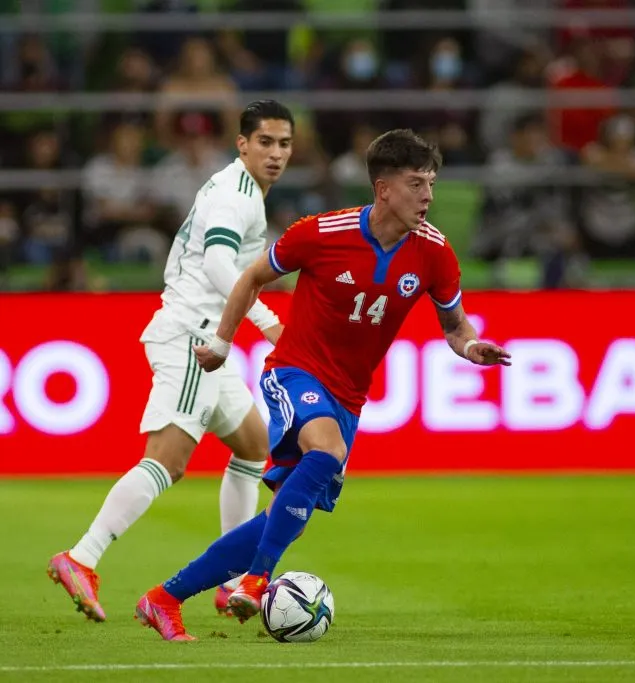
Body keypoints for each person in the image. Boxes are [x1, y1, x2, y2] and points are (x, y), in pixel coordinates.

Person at [134, 129, 511, 641]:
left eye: (431, 184)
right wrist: (222, 343)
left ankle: (163, 598)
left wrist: (471, 347)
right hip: (294, 370)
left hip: (349, 396)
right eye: (416, 183)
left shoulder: (434, 252)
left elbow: (455, 326)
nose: (427, 195)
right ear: (383, 189)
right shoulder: (321, 232)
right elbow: (250, 278)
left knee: (283, 517)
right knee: (326, 450)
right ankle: (257, 579)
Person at [47, 100, 296, 622]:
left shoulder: (243, 190)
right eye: (265, 142)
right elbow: (218, 264)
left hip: (209, 336)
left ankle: (233, 579)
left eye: (284, 143)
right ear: (242, 144)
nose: (275, 153)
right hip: (193, 338)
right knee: (168, 461)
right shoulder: (235, 195)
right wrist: (269, 321)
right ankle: (81, 557)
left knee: (254, 446)